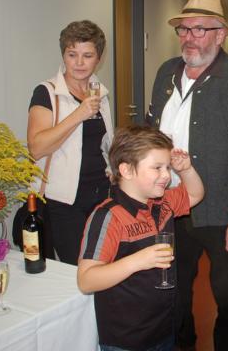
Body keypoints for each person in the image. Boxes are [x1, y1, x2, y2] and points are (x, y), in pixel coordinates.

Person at [146, 0, 228, 351]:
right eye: (184, 29)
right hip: (169, 206)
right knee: (172, 293)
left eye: (200, 29)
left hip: (221, 212)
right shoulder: (166, 73)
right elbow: (151, 137)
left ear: (221, 35)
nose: (190, 37)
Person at [77, 125, 204, 351]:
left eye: (167, 167)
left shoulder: (162, 202)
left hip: (164, 328)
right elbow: (86, 280)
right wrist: (138, 261)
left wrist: (186, 170)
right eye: (157, 168)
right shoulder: (109, 217)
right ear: (126, 170)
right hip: (127, 339)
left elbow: (195, 194)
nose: (167, 175)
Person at [27, 20, 114, 265]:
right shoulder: (47, 92)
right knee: (77, 269)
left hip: (100, 195)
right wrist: (79, 114)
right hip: (64, 202)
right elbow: (36, 148)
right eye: (72, 54)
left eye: (88, 55)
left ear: (98, 59)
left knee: (101, 263)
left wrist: (114, 167)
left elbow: (104, 142)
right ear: (63, 55)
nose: (79, 63)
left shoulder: (100, 93)